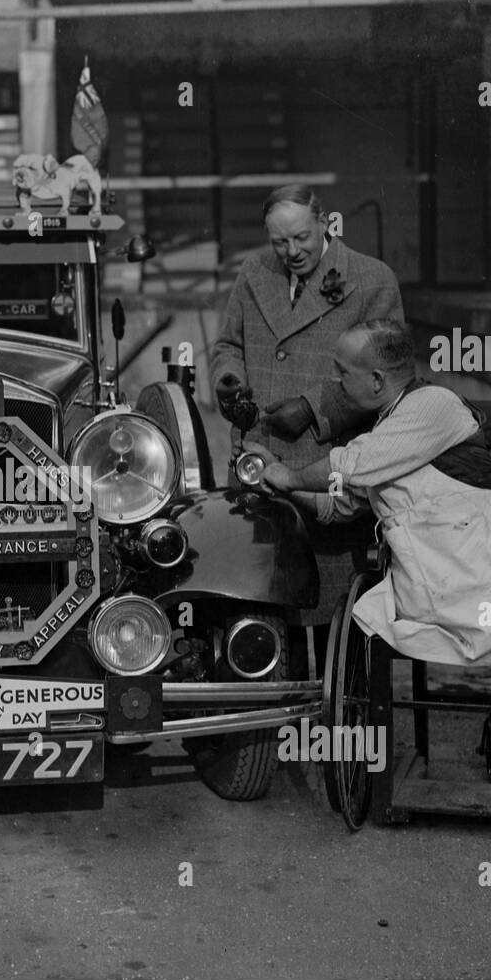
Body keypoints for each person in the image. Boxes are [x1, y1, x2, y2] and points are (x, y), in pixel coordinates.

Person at [251, 320, 491, 666]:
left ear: (377, 380)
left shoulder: (434, 404)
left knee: (381, 612)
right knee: (374, 612)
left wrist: (289, 477)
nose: (336, 382)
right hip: (435, 569)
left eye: (343, 373)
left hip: (483, 562)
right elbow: (340, 503)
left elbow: (349, 465)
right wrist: (274, 471)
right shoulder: (390, 428)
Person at [209, 184, 405, 656]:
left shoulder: (373, 279)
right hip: (256, 461)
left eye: (301, 238)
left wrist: (314, 409)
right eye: (280, 242)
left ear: (324, 223)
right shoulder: (254, 273)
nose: (292, 252)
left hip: (327, 467)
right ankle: (273, 714)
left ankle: (339, 716)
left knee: (337, 612)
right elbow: (227, 348)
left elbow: (388, 375)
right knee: (263, 600)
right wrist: (229, 381)